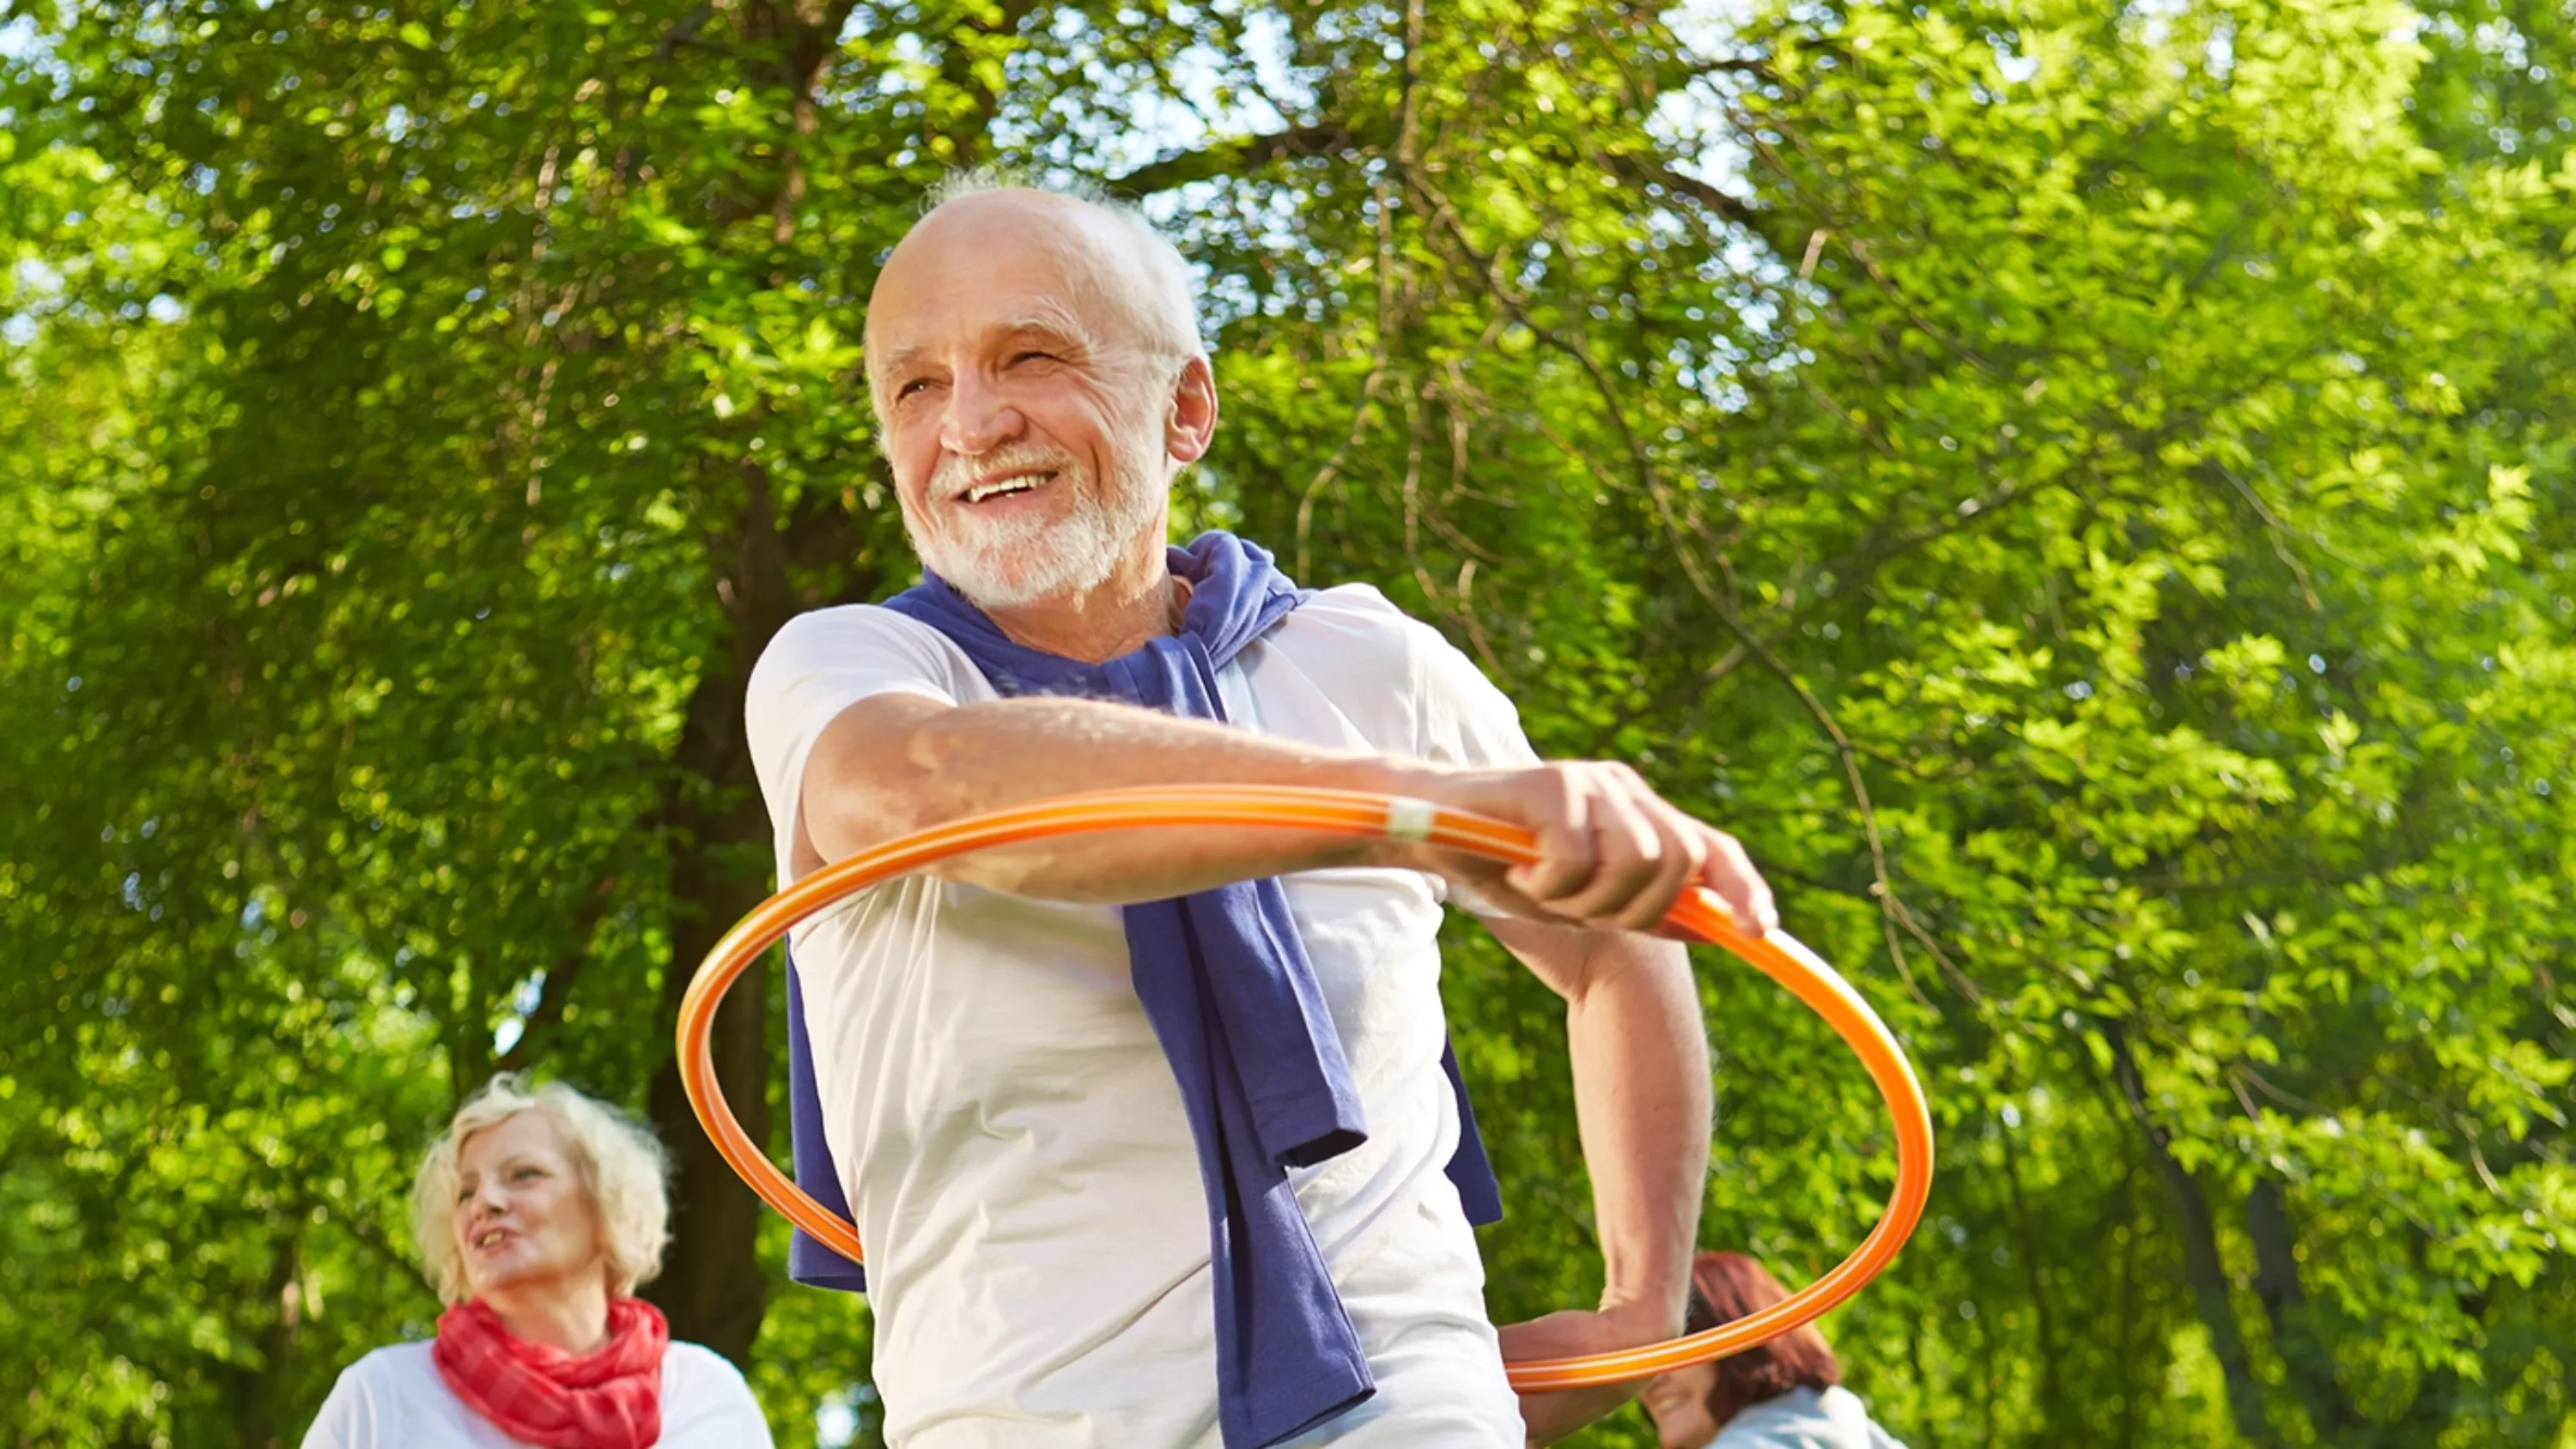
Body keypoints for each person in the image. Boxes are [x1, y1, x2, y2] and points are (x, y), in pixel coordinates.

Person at [744, 171, 1778, 1449]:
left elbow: (1618, 944)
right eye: (914, 385)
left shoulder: (1367, 663)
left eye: (1032, 356)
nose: (970, 422)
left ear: (1184, 407)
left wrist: (1641, 1311)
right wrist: (1417, 811)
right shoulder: (848, 669)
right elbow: (924, 790)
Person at [302, 1074, 775, 1449]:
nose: (483, 1201)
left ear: (606, 1207)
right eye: (465, 1191)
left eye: (523, 1175)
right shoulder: (383, 1396)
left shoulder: (708, 1396)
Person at [1637, 1253, 1908, 1449]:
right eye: (1646, 1359)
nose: (1651, 1379)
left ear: (1741, 1346)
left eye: (1677, 1349)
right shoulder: (1846, 1424)